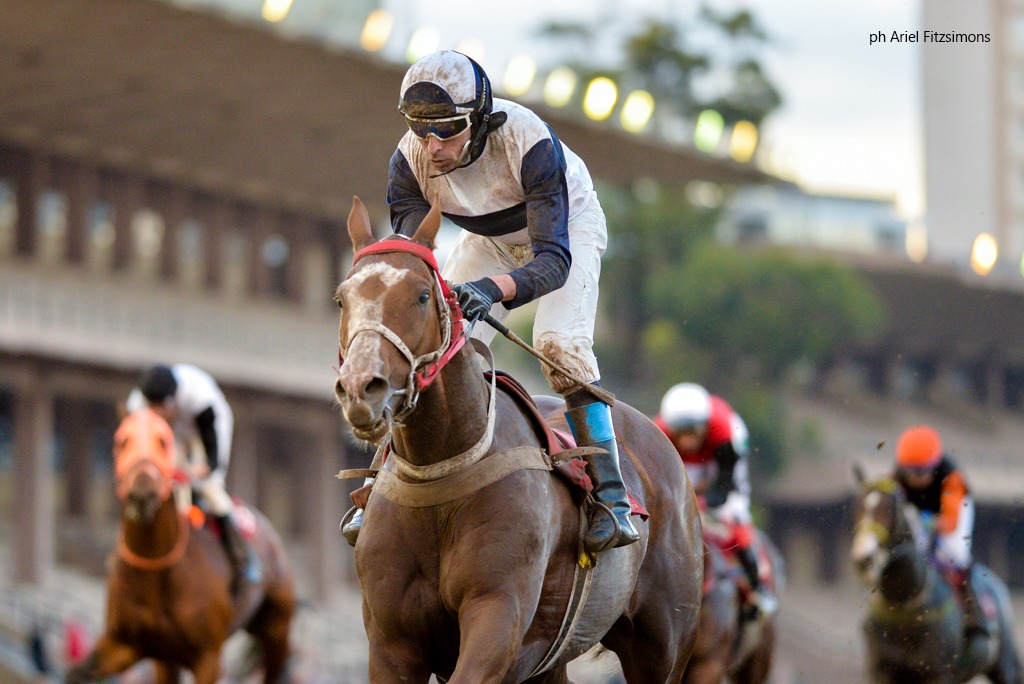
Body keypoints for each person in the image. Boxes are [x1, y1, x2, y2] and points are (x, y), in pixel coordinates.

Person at [341, 49, 639, 554]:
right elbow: (414, 263)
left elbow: (552, 262)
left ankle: (612, 498)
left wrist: (491, 289)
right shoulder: (408, 162)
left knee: (559, 345)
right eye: (420, 130)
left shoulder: (529, 143)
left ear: (481, 121)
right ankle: (379, 479)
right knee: (430, 342)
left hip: (565, 233)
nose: (433, 147)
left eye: (448, 130)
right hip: (487, 240)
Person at [126, 363, 261, 593]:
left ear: (172, 401)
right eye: (151, 408)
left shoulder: (201, 400)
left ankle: (241, 556)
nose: (156, 414)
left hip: (203, 431)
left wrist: (189, 473)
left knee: (210, 489)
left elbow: (212, 462)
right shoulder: (136, 405)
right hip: (172, 432)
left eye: (160, 409)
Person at [654, 382, 776, 618]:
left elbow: (726, 484)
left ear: (705, 426)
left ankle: (758, 587)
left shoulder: (723, 431)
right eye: (681, 433)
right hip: (689, 464)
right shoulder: (661, 432)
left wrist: (703, 504)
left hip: (721, 463)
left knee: (733, 515)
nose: (687, 441)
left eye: (693, 432)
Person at [892, 425, 988, 643]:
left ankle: (972, 610)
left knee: (954, 554)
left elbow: (951, 522)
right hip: (919, 513)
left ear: (934, 466)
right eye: (910, 472)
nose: (916, 478)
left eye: (922, 472)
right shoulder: (896, 476)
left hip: (952, 512)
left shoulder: (951, 477)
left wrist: (931, 524)